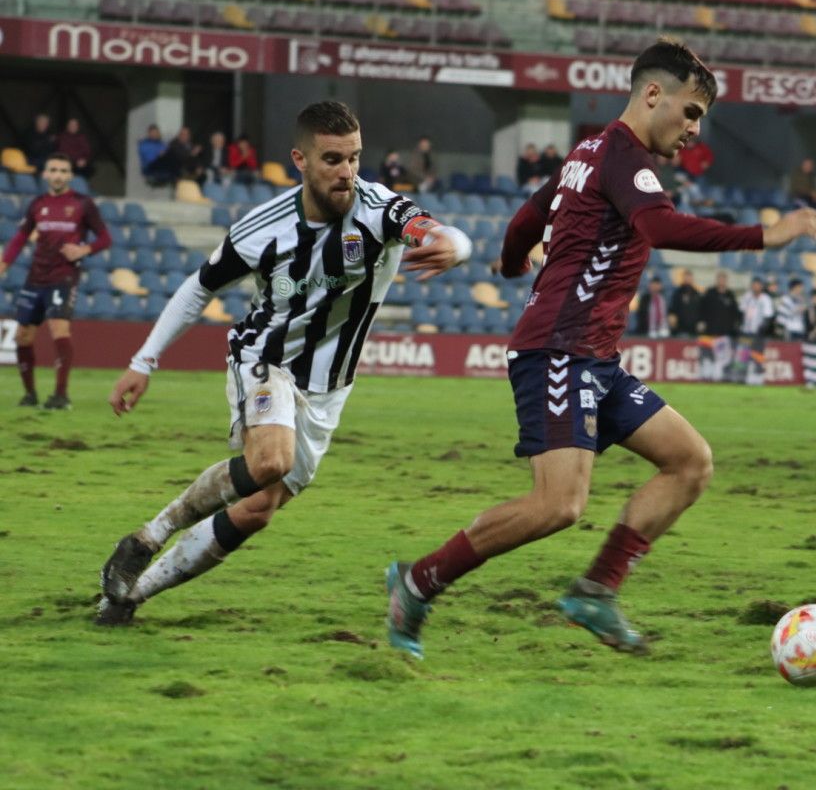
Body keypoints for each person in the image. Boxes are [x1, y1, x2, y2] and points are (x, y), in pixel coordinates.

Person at [384, 37, 816, 659]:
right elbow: (661, 227)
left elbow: (522, 224)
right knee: (558, 504)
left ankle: (597, 590)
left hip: (591, 357)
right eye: (691, 112)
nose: (695, 129)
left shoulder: (585, 154)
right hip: (557, 353)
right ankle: (417, 582)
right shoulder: (624, 157)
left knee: (690, 462)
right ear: (652, 95)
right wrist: (764, 236)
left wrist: (515, 265)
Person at [94, 101, 472, 626]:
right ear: (300, 159)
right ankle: (146, 537)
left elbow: (434, 231)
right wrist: (144, 361)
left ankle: (129, 596)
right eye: (333, 160)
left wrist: (454, 244)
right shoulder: (260, 228)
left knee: (256, 509)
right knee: (270, 459)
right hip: (264, 358)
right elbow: (197, 290)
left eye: (355, 159)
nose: (347, 173)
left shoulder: (380, 209)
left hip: (329, 388)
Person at [0, 153, 112, 409]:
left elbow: (105, 238)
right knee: (23, 336)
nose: (58, 174)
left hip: (64, 277)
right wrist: (4, 264)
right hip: (35, 277)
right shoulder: (37, 204)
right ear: (46, 174)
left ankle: (61, 395)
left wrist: (84, 250)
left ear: (70, 175)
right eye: (54, 170)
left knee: (59, 330)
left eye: (63, 170)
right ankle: (30, 395)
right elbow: (20, 237)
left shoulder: (83, 204)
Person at [698, 269, 739, 381]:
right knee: (707, 358)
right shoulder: (709, 293)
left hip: (723, 335)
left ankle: (718, 378)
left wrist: (732, 328)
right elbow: (702, 309)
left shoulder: (730, 295)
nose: (722, 281)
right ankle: (706, 377)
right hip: (709, 333)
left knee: (721, 359)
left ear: (726, 281)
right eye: (720, 279)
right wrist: (701, 322)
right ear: (717, 280)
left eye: (724, 279)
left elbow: (735, 314)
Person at [738, 276, 774, 385]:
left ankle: (758, 379)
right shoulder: (747, 297)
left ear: (761, 286)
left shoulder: (765, 299)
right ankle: (741, 377)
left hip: (758, 333)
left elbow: (768, 316)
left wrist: (762, 329)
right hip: (746, 331)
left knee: (757, 355)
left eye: (758, 285)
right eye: (754, 284)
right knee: (743, 356)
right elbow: (741, 311)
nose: (755, 287)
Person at [668, 269, 702, 336]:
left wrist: (701, 321)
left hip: (694, 329)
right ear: (683, 278)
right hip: (680, 328)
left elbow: (700, 309)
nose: (688, 280)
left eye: (689, 278)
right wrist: (672, 316)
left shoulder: (696, 294)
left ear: (692, 279)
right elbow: (672, 308)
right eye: (686, 277)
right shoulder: (677, 293)